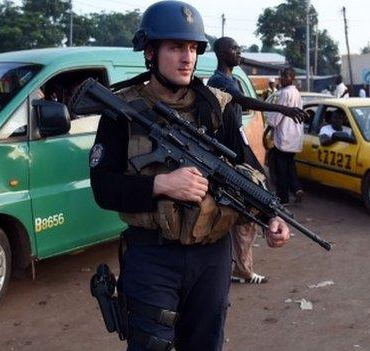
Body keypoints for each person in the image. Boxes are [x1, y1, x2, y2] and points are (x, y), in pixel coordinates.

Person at [89, 3, 291, 350]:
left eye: (194, 48)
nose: (188, 58)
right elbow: (103, 188)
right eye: (176, 47)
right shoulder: (122, 110)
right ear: (150, 52)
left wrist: (271, 215)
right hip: (152, 255)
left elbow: (249, 171)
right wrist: (162, 184)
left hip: (212, 257)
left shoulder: (218, 107)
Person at [207, 36, 304, 285]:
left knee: (252, 204)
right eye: (234, 49)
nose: (239, 52)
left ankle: (243, 266)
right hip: (227, 150)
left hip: (238, 147)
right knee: (242, 208)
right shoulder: (218, 81)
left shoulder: (234, 79)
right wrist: (282, 110)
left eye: (239, 48)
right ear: (220, 53)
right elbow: (243, 102)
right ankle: (238, 267)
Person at [265, 68, 305, 206]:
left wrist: (267, 130)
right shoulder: (297, 93)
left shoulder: (285, 94)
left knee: (280, 169)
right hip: (294, 137)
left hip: (284, 136)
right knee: (289, 165)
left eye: (285, 76)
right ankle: (297, 188)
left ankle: (283, 198)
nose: (282, 78)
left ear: (292, 78)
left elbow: (276, 116)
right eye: (281, 76)